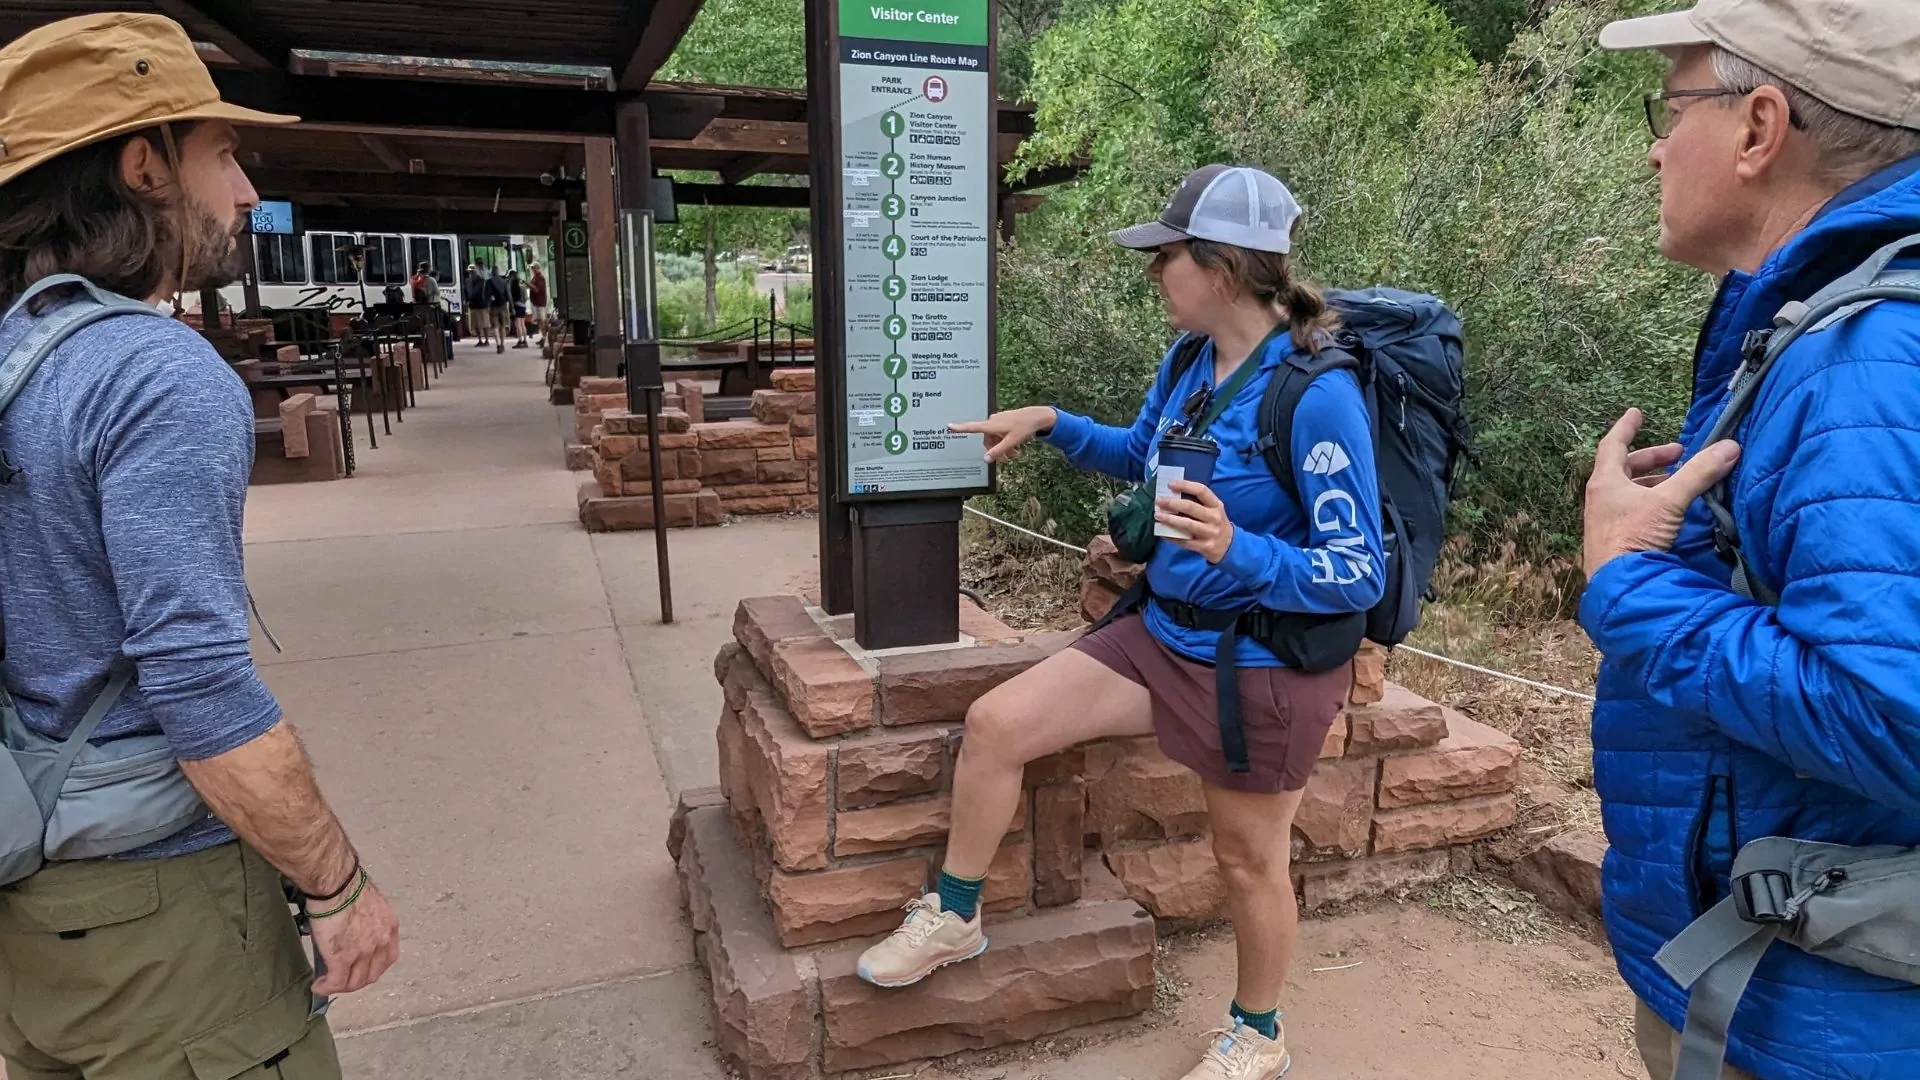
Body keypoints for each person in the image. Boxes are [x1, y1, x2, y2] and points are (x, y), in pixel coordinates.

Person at [859, 165, 1385, 1080]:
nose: (1152, 275)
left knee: (1247, 860)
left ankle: (1257, 1034)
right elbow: (1141, 458)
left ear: (1221, 267)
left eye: (1165, 257)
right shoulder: (1189, 361)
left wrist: (1238, 549)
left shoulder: (1317, 393)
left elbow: (1357, 572)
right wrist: (1056, 422)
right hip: (1161, 634)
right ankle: (957, 915)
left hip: (1256, 664)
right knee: (996, 725)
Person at [0, 13, 400, 1079]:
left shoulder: (15, 362)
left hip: (32, 924)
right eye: (221, 152)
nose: (244, 191)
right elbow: (201, 691)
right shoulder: (153, 374)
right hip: (165, 931)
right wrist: (338, 886)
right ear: (143, 165)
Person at [1582, 3, 1920, 1078]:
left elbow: (1891, 717)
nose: (1651, 144)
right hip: (1806, 980)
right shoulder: (1833, 327)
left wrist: (1632, 580)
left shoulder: (1867, 353)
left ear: (1760, 126)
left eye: (1671, 104)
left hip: (1820, 1017)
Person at [462, 263, 489, 345]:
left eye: (472, 272)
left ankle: (486, 340)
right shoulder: (468, 281)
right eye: (470, 272)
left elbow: (478, 291)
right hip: (473, 304)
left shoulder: (481, 280)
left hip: (481, 304)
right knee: (475, 324)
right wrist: (466, 300)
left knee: (484, 324)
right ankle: (480, 340)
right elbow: (466, 291)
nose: (471, 273)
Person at [485, 266, 511, 354]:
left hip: (493, 307)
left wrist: (488, 305)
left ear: (492, 272)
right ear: (498, 271)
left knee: (495, 327)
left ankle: (498, 344)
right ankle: (503, 344)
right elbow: (508, 295)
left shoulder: (489, 282)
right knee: (503, 326)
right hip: (503, 306)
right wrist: (511, 306)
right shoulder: (504, 282)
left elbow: (485, 295)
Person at [509, 268, 530, 348]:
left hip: (517, 306)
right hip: (523, 306)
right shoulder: (522, 285)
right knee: (522, 324)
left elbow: (511, 298)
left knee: (518, 325)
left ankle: (520, 341)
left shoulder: (513, 285)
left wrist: (512, 308)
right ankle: (525, 341)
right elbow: (526, 298)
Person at [528, 262, 549, 341]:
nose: (532, 269)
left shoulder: (540, 277)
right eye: (532, 268)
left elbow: (537, 289)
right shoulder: (535, 277)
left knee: (542, 321)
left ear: (537, 268)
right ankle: (543, 337)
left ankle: (544, 338)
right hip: (536, 302)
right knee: (539, 321)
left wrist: (528, 284)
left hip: (540, 302)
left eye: (533, 268)